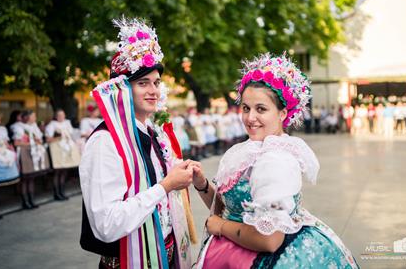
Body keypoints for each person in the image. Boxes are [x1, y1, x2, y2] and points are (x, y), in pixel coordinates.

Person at [192, 52, 358, 268]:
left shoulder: (275, 160)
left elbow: (269, 239)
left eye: (261, 109)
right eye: (245, 108)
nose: (250, 118)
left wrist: (222, 227)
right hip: (234, 249)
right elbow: (228, 209)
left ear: (282, 114)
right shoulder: (246, 150)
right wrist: (202, 184)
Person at [79, 17, 196, 269]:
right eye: (143, 83)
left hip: (166, 256)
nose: (153, 90)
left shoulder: (152, 133)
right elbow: (107, 225)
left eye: (156, 83)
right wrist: (165, 186)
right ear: (122, 90)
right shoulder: (105, 142)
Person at [13, 110, 50, 209]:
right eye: (33, 116)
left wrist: (36, 141)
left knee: (31, 179)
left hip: (34, 153)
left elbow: (38, 139)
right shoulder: (18, 127)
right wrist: (31, 143)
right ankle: (25, 202)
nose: (35, 118)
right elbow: (16, 143)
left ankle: (31, 200)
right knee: (25, 179)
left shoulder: (34, 127)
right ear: (27, 117)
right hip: (25, 153)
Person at [45, 109, 81, 200]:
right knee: (57, 172)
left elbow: (72, 134)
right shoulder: (51, 125)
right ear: (56, 116)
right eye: (60, 115)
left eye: (63, 115)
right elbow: (48, 139)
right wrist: (58, 136)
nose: (62, 117)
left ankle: (62, 191)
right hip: (57, 150)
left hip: (66, 149)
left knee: (64, 172)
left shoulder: (67, 123)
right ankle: (56, 193)